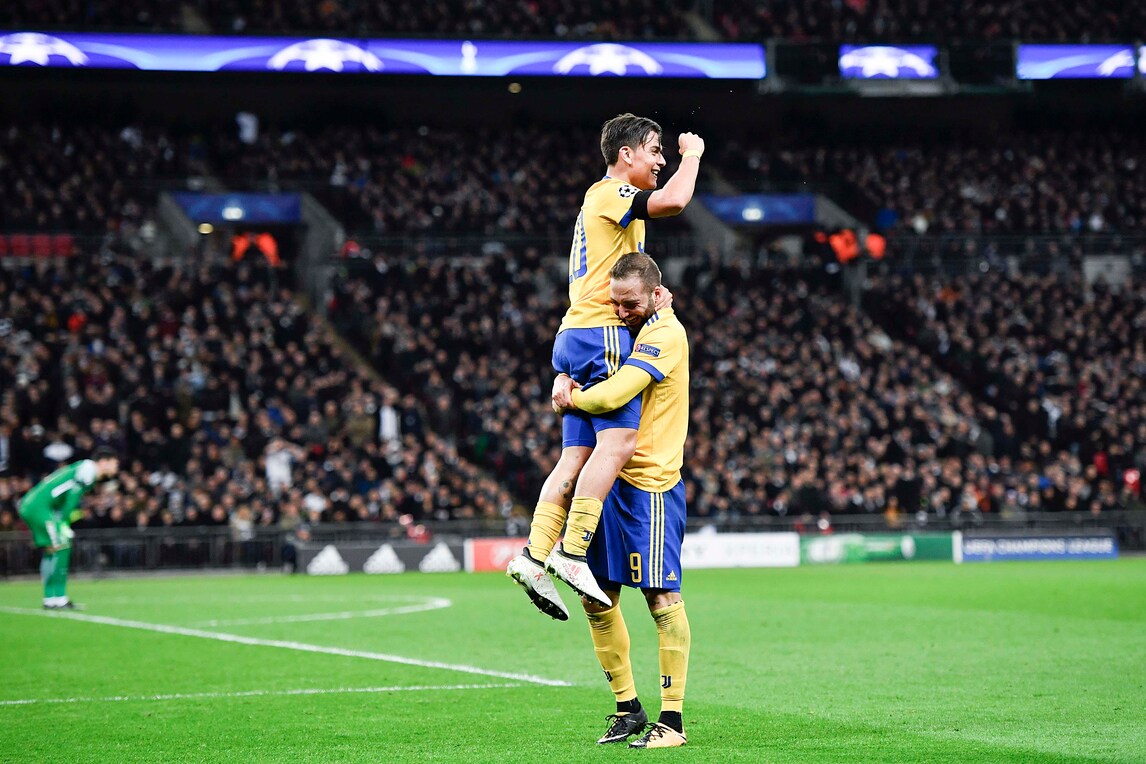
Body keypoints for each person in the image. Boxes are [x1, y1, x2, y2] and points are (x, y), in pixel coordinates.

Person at [507, 114, 704, 619]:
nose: (661, 160)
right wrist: (693, 155)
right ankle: (572, 553)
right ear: (626, 154)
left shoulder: (604, 206)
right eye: (655, 150)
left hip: (573, 333)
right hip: (602, 333)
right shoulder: (610, 192)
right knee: (617, 443)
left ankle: (533, 555)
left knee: (575, 455)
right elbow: (674, 201)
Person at [552, 253, 692, 749]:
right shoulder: (626, 331)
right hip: (608, 478)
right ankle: (628, 709)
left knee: (660, 598)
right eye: (614, 303)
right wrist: (563, 373)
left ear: (656, 294)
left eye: (630, 303)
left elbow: (615, 395)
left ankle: (672, 722)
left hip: (650, 484)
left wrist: (571, 397)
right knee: (596, 596)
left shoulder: (664, 333)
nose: (620, 311)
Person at [17, 447, 120, 609]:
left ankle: (50, 598)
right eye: (114, 463)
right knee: (62, 546)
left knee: (52, 550)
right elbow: (72, 496)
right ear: (103, 462)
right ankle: (59, 598)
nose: (116, 467)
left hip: (34, 505)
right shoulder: (88, 470)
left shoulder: (81, 468)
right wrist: (63, 522)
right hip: (40, 507)